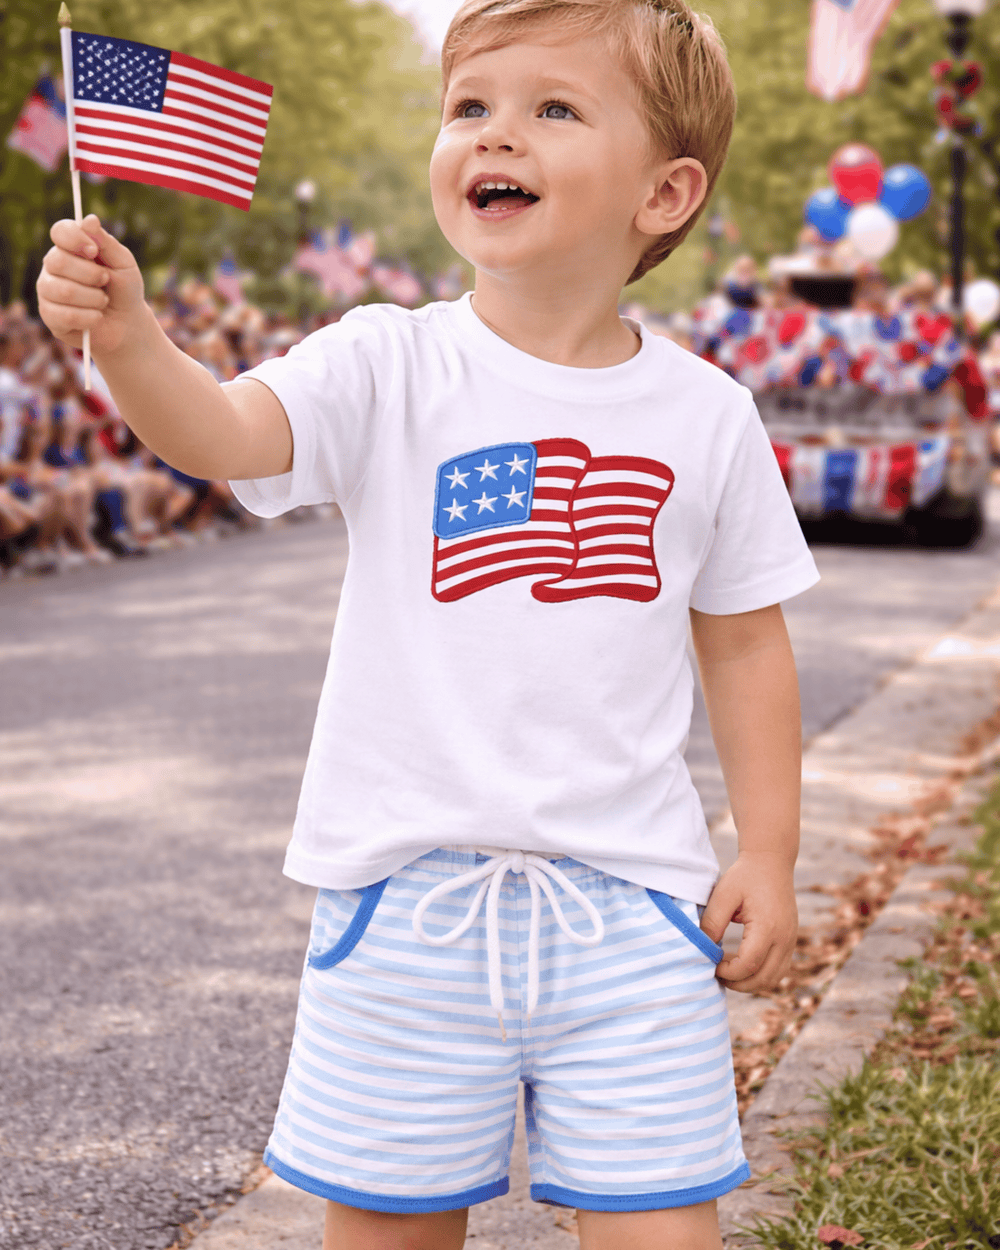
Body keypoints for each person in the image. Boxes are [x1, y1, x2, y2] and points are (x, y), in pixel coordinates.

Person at [36, 0, 819, 1245]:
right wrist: (131, 339)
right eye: (470, 107)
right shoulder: (384, 361)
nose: (493, 134)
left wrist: (768, 850)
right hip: (406, 904)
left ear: (664, 193)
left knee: (664, 1226)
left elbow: (742, 637)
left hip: (631, 908)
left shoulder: (707, 414)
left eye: (551, 108)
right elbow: (226, 431)